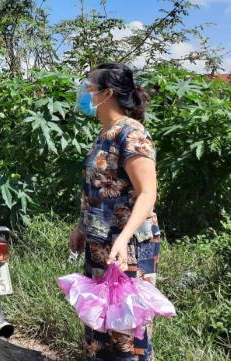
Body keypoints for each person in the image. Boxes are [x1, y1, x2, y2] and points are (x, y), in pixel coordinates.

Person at [69, 63, 160, 360]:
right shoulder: (105, 133)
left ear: (107, 94)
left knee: (125, 332)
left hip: (128, 248)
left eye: (89, 88)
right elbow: (97, 188)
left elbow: (147, 193)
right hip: (100, 244)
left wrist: (123, 238)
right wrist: (81, 226)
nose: (85, 93)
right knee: (99, 327)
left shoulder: (132, 134)